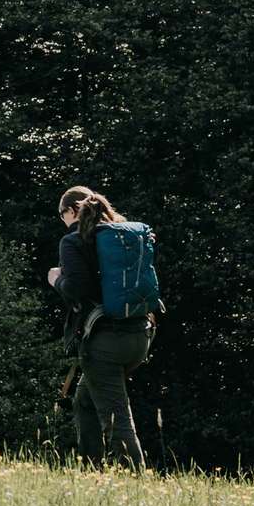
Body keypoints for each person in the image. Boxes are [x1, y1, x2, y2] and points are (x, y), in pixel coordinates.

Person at [48, 185, 154, 469]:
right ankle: (90, 470)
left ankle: (135, 480)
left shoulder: (74, 241)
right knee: (84, 401)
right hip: (140, 335)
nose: (63, 220)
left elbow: (77, 289)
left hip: (105, 341)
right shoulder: (122, 235)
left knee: (116, 417)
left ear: (72, 210)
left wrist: (56, 280)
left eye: (62, 214)